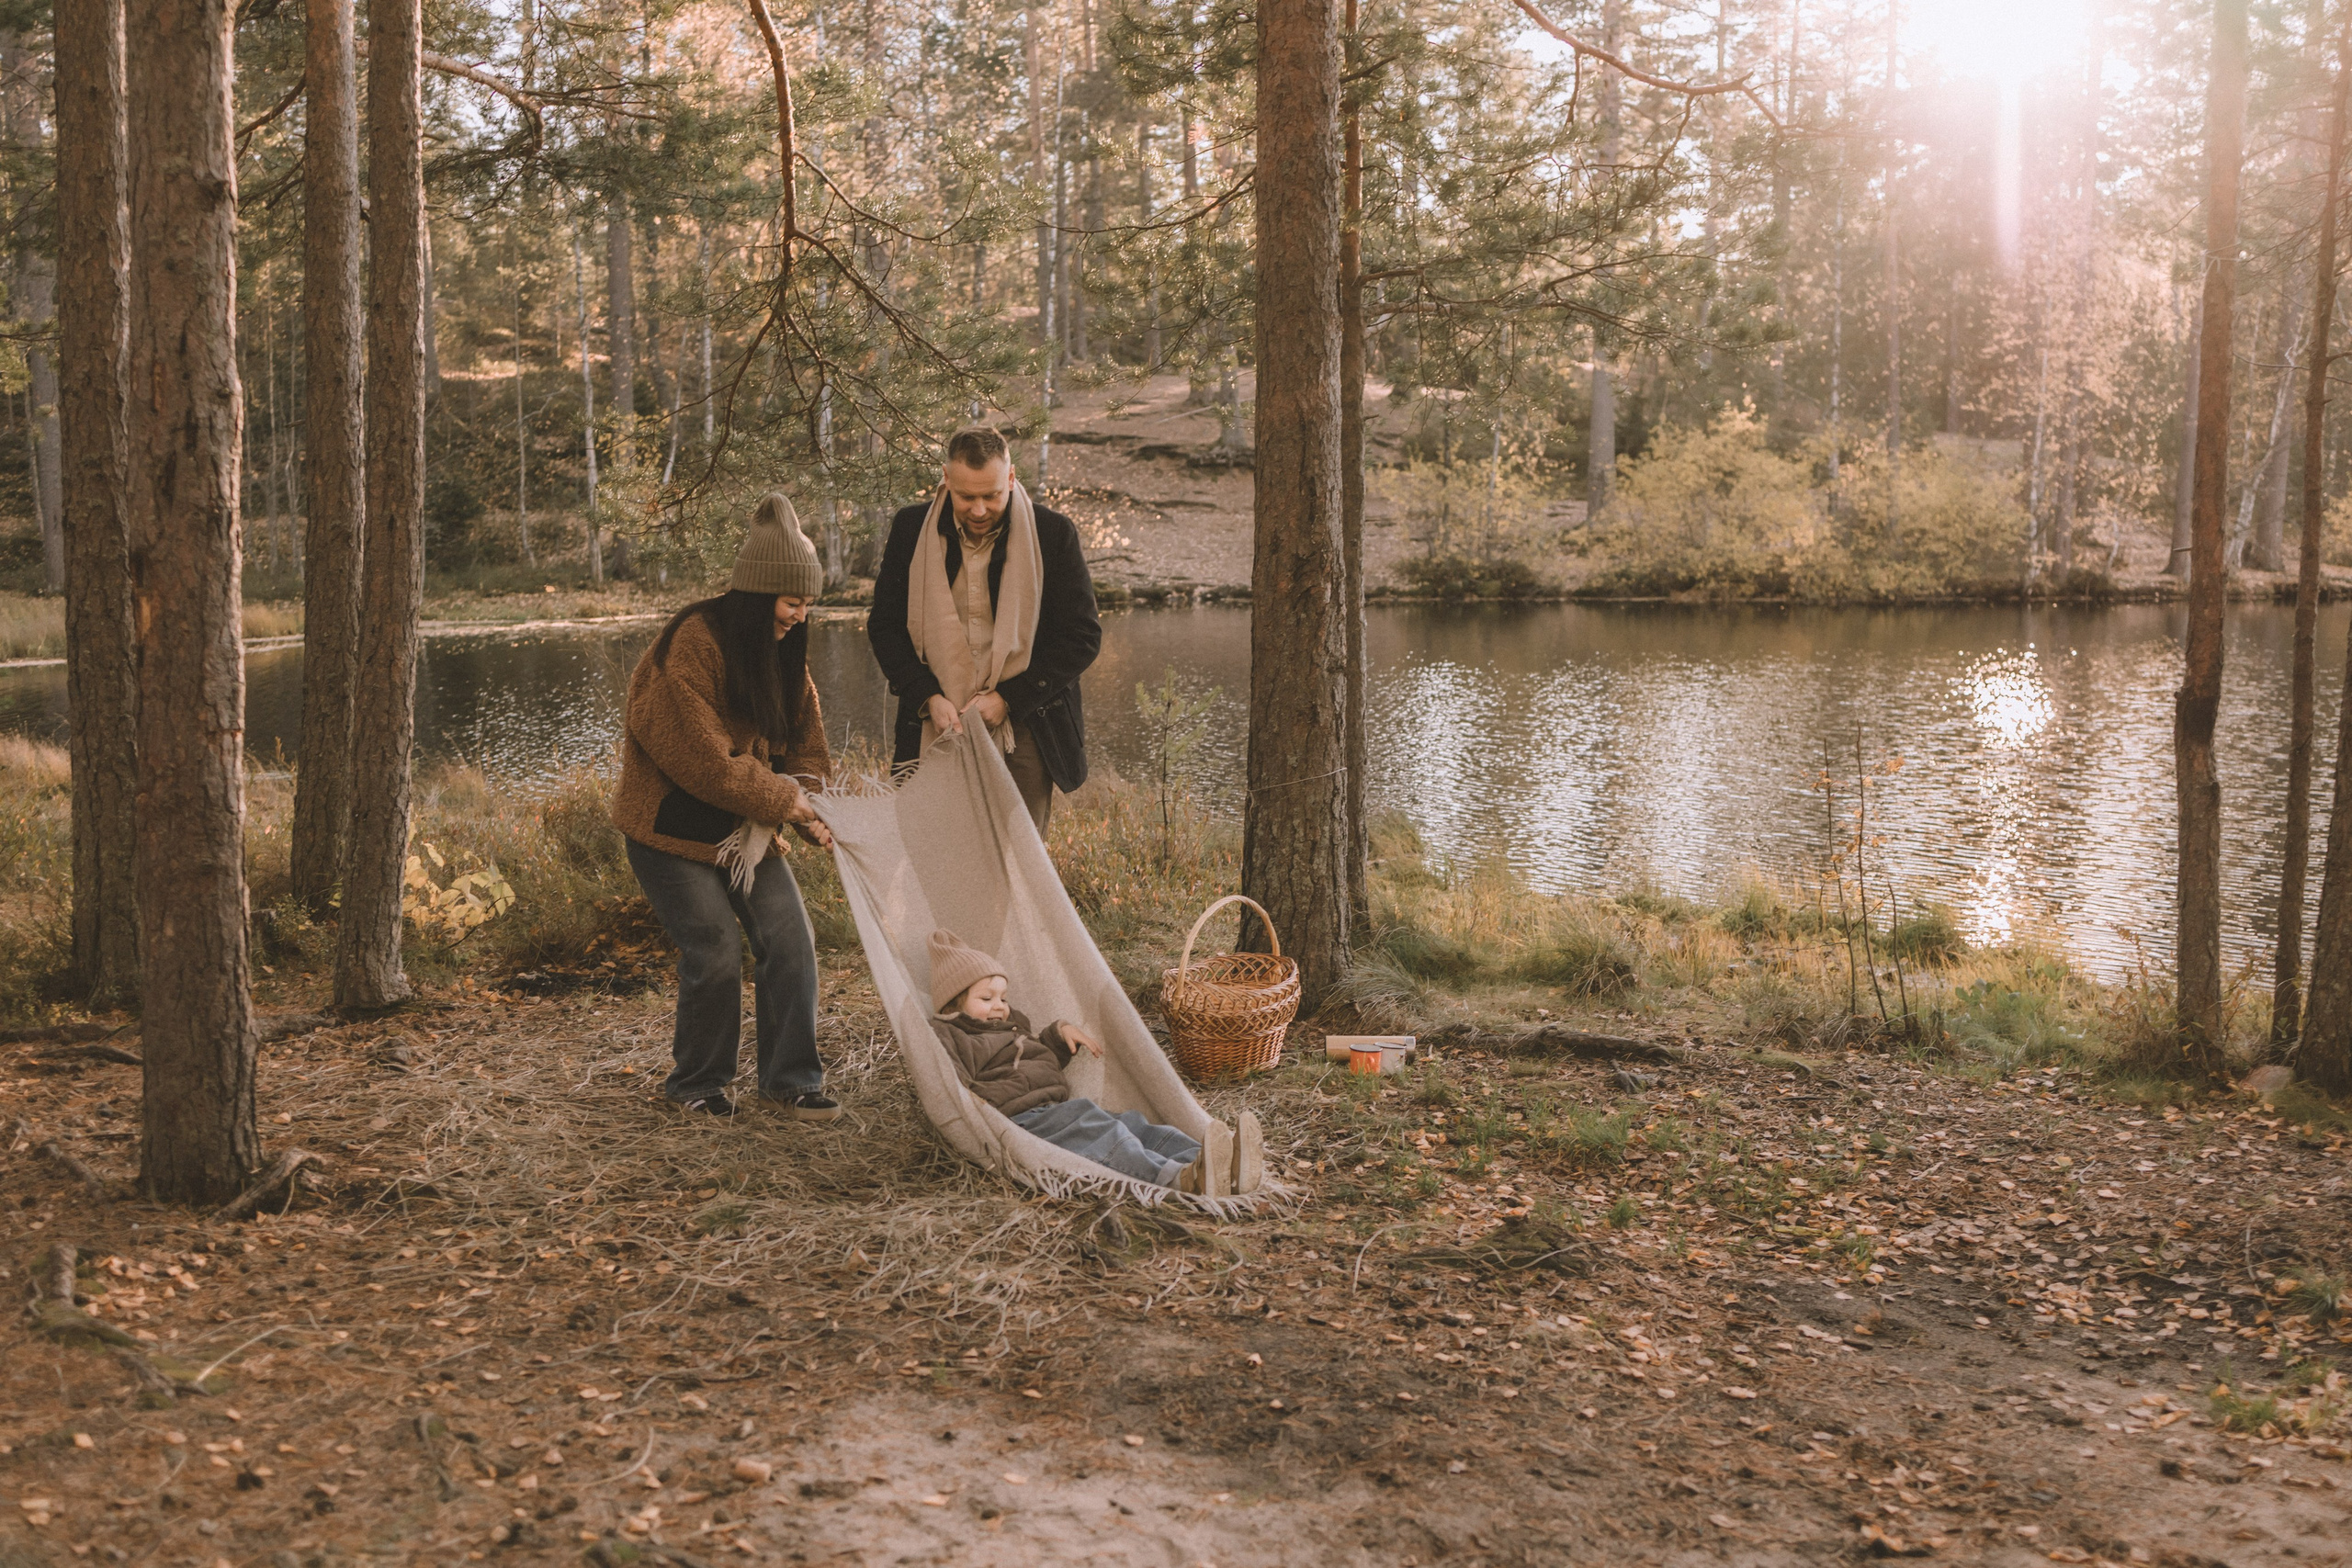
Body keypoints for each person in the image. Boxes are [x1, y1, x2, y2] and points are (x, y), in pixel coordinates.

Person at [612, 493, 842, 1121]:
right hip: (670, 831)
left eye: (808, 603)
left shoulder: (784, 652)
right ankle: (697, 1085)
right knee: (714, 947)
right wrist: (786, 800)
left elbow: (807, 751)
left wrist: (815, 806)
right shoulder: (689, 645)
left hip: (745, 831)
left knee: (791, 938)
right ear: (758, 592)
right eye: (793, 601)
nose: (801, 614)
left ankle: (790, 1080)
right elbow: (704, 762)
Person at [868, 425, 1102, 833]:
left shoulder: (1052, 534)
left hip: (1025, 725)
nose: (979, 510)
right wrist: (926, 695)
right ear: (946, 479)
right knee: (931, 856)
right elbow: (885, 627)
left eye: (991, 495)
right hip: (933, 722)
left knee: (1017, 867)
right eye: (966, 497)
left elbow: (1082, 637)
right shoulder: (910, 530)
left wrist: (1008, 699)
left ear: (1010, 479)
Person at [924, 930, 1262, 1196]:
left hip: (1055, 1109)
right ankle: (1180, 1178)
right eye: (986, 998)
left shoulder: (1014, 1024)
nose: (999, 1006)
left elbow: (1036, 1060)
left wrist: (1059, 1034)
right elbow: (951, 1083)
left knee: (1134, 1124)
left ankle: (1218, 1160)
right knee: (1104, 1134)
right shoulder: (953, 1035)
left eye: (1003, 997)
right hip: (1018, 1118)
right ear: (954, 1004)